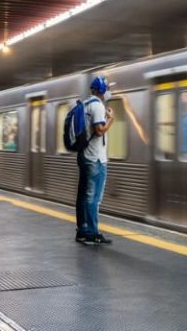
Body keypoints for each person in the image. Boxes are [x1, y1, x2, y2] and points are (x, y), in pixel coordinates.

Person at [75, 75, 114, 245]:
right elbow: (99, 130)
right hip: (95, 158)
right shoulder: (97, 106)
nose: (109, 93)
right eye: (107, 89)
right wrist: (111, 118)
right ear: (102, 90)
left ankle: (82, 230)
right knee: (93, 197)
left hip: (85, 155)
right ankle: (92, 232)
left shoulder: (85, 104)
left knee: (83, 195)